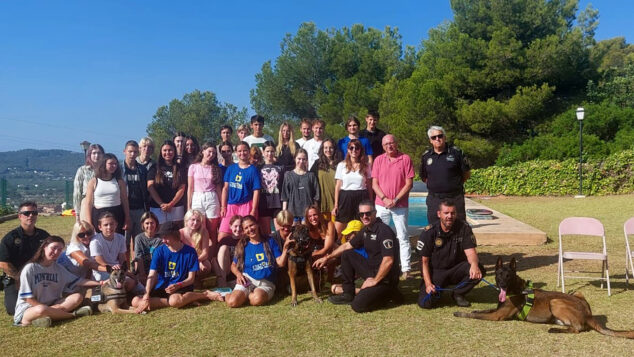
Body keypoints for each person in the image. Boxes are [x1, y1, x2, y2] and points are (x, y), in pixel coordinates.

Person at [313, 200, 401, 313]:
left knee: (357, 305)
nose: (364, 216)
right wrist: (326, 258)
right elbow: (346, 246)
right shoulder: (366, 230)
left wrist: (374, 280)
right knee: (347, 254)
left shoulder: (384, 231)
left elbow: (388, 261)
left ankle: (389, 294)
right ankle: (348, 294)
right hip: (372, 270)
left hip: (385, 278)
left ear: (375, 213)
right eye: (361, 214)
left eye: (368, 213)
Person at [132, 222, 223, 313]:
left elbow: (191, 279)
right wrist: (147, 294)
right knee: (135, 301)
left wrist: (178, 285)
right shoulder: (158, 251)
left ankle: (205, 294)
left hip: (182, 287)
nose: (163, 241)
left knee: (174, 300)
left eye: (166, 237)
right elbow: (151, 275)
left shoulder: (190, 252)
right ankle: (186, 301)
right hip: (163, 288)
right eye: (162, 237)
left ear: (175, 235)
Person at [13, 236, 99, 327]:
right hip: (29, 309)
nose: (56, 252)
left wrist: (100, 283)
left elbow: (79, 281)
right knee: (40, 310)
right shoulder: (30, 268)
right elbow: (27, 298)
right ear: (44, 247)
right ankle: (73, 315)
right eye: (53, 248)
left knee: (77, 297)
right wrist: (47, 309)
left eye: (60, 250)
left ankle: (46, 318)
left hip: (53, 305)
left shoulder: (58, 268)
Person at [416, 200, 484, 309]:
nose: (450, 216)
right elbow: (424, 262)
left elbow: (471, 252)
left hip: (455, 269)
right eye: (446, 213)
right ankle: (437, 291)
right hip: (437, 272)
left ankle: (458, 293)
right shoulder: (429, 232)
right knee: (426, 303)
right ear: (439, 214)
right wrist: (428, 284)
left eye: (452, 213)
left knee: (478, 268)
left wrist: (474, 265)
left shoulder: (464, 228)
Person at [371, 134, 414, 279]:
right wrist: (384, 198)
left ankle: (406, 269)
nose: (389, 146)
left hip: (400, 205)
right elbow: (374, 183)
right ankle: (378, 265)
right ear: (383, 147)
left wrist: (395, 199)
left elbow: (409, 184)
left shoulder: (405, 159)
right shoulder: (378, 160)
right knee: (378, 236)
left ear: (396, 143)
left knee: (402, 236)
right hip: (381, 204)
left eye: (391, 143)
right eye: (386, 144)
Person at [225, 215, 292, 308]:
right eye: (246, 228)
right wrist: (238, 275)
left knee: (256, 299)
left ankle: (245, 296)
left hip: (266, 282)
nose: (250, 229)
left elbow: (280, 263)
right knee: (232, 302)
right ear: (244, 231)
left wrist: (285, 249)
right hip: (247, 280)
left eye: (251, 225)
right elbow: (233, 265)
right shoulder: (242, 245)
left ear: (257, 225)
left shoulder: (270, 241)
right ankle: (228, 294)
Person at [0, 201, 50, 315]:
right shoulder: (10, 238)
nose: (31, 216)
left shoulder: (44, 236)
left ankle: (41, 311)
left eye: (34, 213)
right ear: (19, 216)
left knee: (49, 299)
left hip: (39, 276)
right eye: (27, 213)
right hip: (16, 279)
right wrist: (20, 279)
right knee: (13, 309)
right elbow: (3, 263)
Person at [420, 125, 471, 225]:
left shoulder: (456, 153)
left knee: (459, 227)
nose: (437, 139)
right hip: (434, 199)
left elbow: (466, 174)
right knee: (434, 228)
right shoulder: (426, 156)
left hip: (455, 198)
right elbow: (424, 177)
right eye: (434, 137)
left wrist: (452, 185)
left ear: (445, 137)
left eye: (440, 136)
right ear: (430, 140)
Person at [218, 141, 261, 240]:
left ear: (249, 152)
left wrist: (254, 209)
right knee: (222, 236)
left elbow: (256, 191)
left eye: (245, 150)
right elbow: (225, 188)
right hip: (231, 205)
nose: (242, 153)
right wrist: (223, 206)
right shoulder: (231, 168)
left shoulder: (253, 170)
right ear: (236, 153)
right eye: (239, 151)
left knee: (246, 235)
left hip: (246, 205)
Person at [83, 153, 131, 235]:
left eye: (115, 164)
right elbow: (88, 204)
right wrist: (89, 222)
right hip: (98, 215)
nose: (113, 166)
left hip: (117, 214)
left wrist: (127, 217)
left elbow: (125, 201)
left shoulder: (120, 182)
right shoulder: (93, 181)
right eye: (110, 163)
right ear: (104, 164)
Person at [332, 139, 372, 237]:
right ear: (348, 150)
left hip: (361, 196)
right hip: (345, 197)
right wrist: (336, 205)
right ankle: (336, 250)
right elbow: (338, 186)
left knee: (362, 227)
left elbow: (369, 185)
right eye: (351, 148)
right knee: (338, 229)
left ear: (360, 150)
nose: (354, 150)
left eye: (357, 148)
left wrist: (371, 202)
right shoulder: (341, 165)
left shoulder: (366, 166)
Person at [187, 141, 223, 245]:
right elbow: (190, 187)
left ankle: (213, 257)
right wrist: (189, 206)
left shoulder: (216, 168)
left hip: (212, 198)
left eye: (213, 153)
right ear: (203, 151)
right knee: (198, 229)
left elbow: (218, 188)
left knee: (212, 231)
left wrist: (222, 205)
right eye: (209, 152)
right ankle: (200, 256)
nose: (211, 155)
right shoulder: (193, 167)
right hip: (197, 197)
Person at [147, 140, 187, 224]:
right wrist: (161, 204)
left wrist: (171, 204)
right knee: (158, 234)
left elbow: (182, 188)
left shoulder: (180, 168)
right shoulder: (154, 167)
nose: (167, 152)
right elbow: (150, 187)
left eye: (170, 150)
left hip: (176, 208)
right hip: (157, 208)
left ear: (174, 151)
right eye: (165, 150)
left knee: (175, 234)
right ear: (161, 152)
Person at [122, 140, 148, 252]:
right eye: (130, 151)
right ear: (124, 152)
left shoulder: (142, 169)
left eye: (135, 152)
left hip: (140, 210)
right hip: (124, 210)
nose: (132, 154)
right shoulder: (119, 169)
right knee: (124, 243)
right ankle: (126, 268)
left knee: (139, 243)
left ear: (138, 153)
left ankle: (137, 268)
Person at [281, 149, 319, 222]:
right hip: (292, 213)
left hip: (308, 214)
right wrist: (284, 213)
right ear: (295, 159)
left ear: (307, 160)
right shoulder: (288, 175)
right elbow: (285, 197)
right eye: (299, 159)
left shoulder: (311, 175)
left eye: (304, 159)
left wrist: (315, 212)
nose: (301, 161)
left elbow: (316, 196)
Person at [310, 138, 341, 221]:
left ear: (334, 149)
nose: (328, 150)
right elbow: (311, 182)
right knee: (324, 231)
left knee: (337, 231)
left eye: (331, 147)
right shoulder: (317, 163)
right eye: (326, 148)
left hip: (336, 204)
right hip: (322, 204)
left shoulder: (340, 164)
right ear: (322, 149)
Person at [305, 205, 336, 283]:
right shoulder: (306, 228)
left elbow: (327, 248)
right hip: (314, 253)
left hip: (329, 252)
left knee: (332, 257)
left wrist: (312, 255)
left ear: (319, 214)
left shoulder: (329, 224)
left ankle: (329, 280)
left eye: (315, 215)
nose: (313, 218)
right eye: (310, 216)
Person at [73, 143, 104, 222]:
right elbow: (77, 193)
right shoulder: (82, 170)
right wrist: (77, 214)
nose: (97, 155)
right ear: (89, 155)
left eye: (99, 153)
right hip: (86, 204)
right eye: (94, 153)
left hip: (102, 204)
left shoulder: (106, 171)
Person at [258, 141, 284, 234]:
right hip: (263, 203)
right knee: (266, 234)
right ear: (263, 152)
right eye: (267, 151)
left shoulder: (280, 167)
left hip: (277, 203)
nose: (270, 154)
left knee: (279, 233)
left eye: (272, 151)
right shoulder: (258, 167)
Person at [179, 209, 213, 278]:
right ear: (186, 220)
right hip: (184, 258)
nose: (195, 223)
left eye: (198, 220)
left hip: (199, 258)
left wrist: (197, 261)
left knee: (206, 265)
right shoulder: (180, 233)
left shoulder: (204, 232)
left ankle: (196, 280)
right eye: (193, 220)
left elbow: (205, 254)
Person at [133, 212, 163, 282]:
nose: (150, 225)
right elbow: (138, 257)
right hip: (142, 269)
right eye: (147, 223)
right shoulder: (138, 238)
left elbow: (159, 259)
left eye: (152, 223)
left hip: (156, 270)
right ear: (142, 224)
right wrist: (142, 275)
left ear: (156, 224)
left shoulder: (160, 239)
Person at [216, 215, 243, 287]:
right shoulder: (225, 240)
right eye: (235, 226)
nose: (238, 229)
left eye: (240, 226)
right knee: (223, 248)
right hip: (227, 271)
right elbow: (214, 260)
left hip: (241, 270)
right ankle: (223, 281)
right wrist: (220, 276)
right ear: (230, 226)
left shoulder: (246, 240)